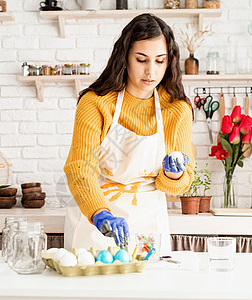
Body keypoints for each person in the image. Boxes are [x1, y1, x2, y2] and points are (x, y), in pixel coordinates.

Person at [63, 13, 194, 254]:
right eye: (141, 59)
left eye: (159, 61)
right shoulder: (96, 103)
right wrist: (100, 213)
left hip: (149, 226)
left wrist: (173, 174)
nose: (150, 71)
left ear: (169, 62)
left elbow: (180, 184)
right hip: (98, 221)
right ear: (125, 57)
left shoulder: (177, 110)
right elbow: (79, 167)